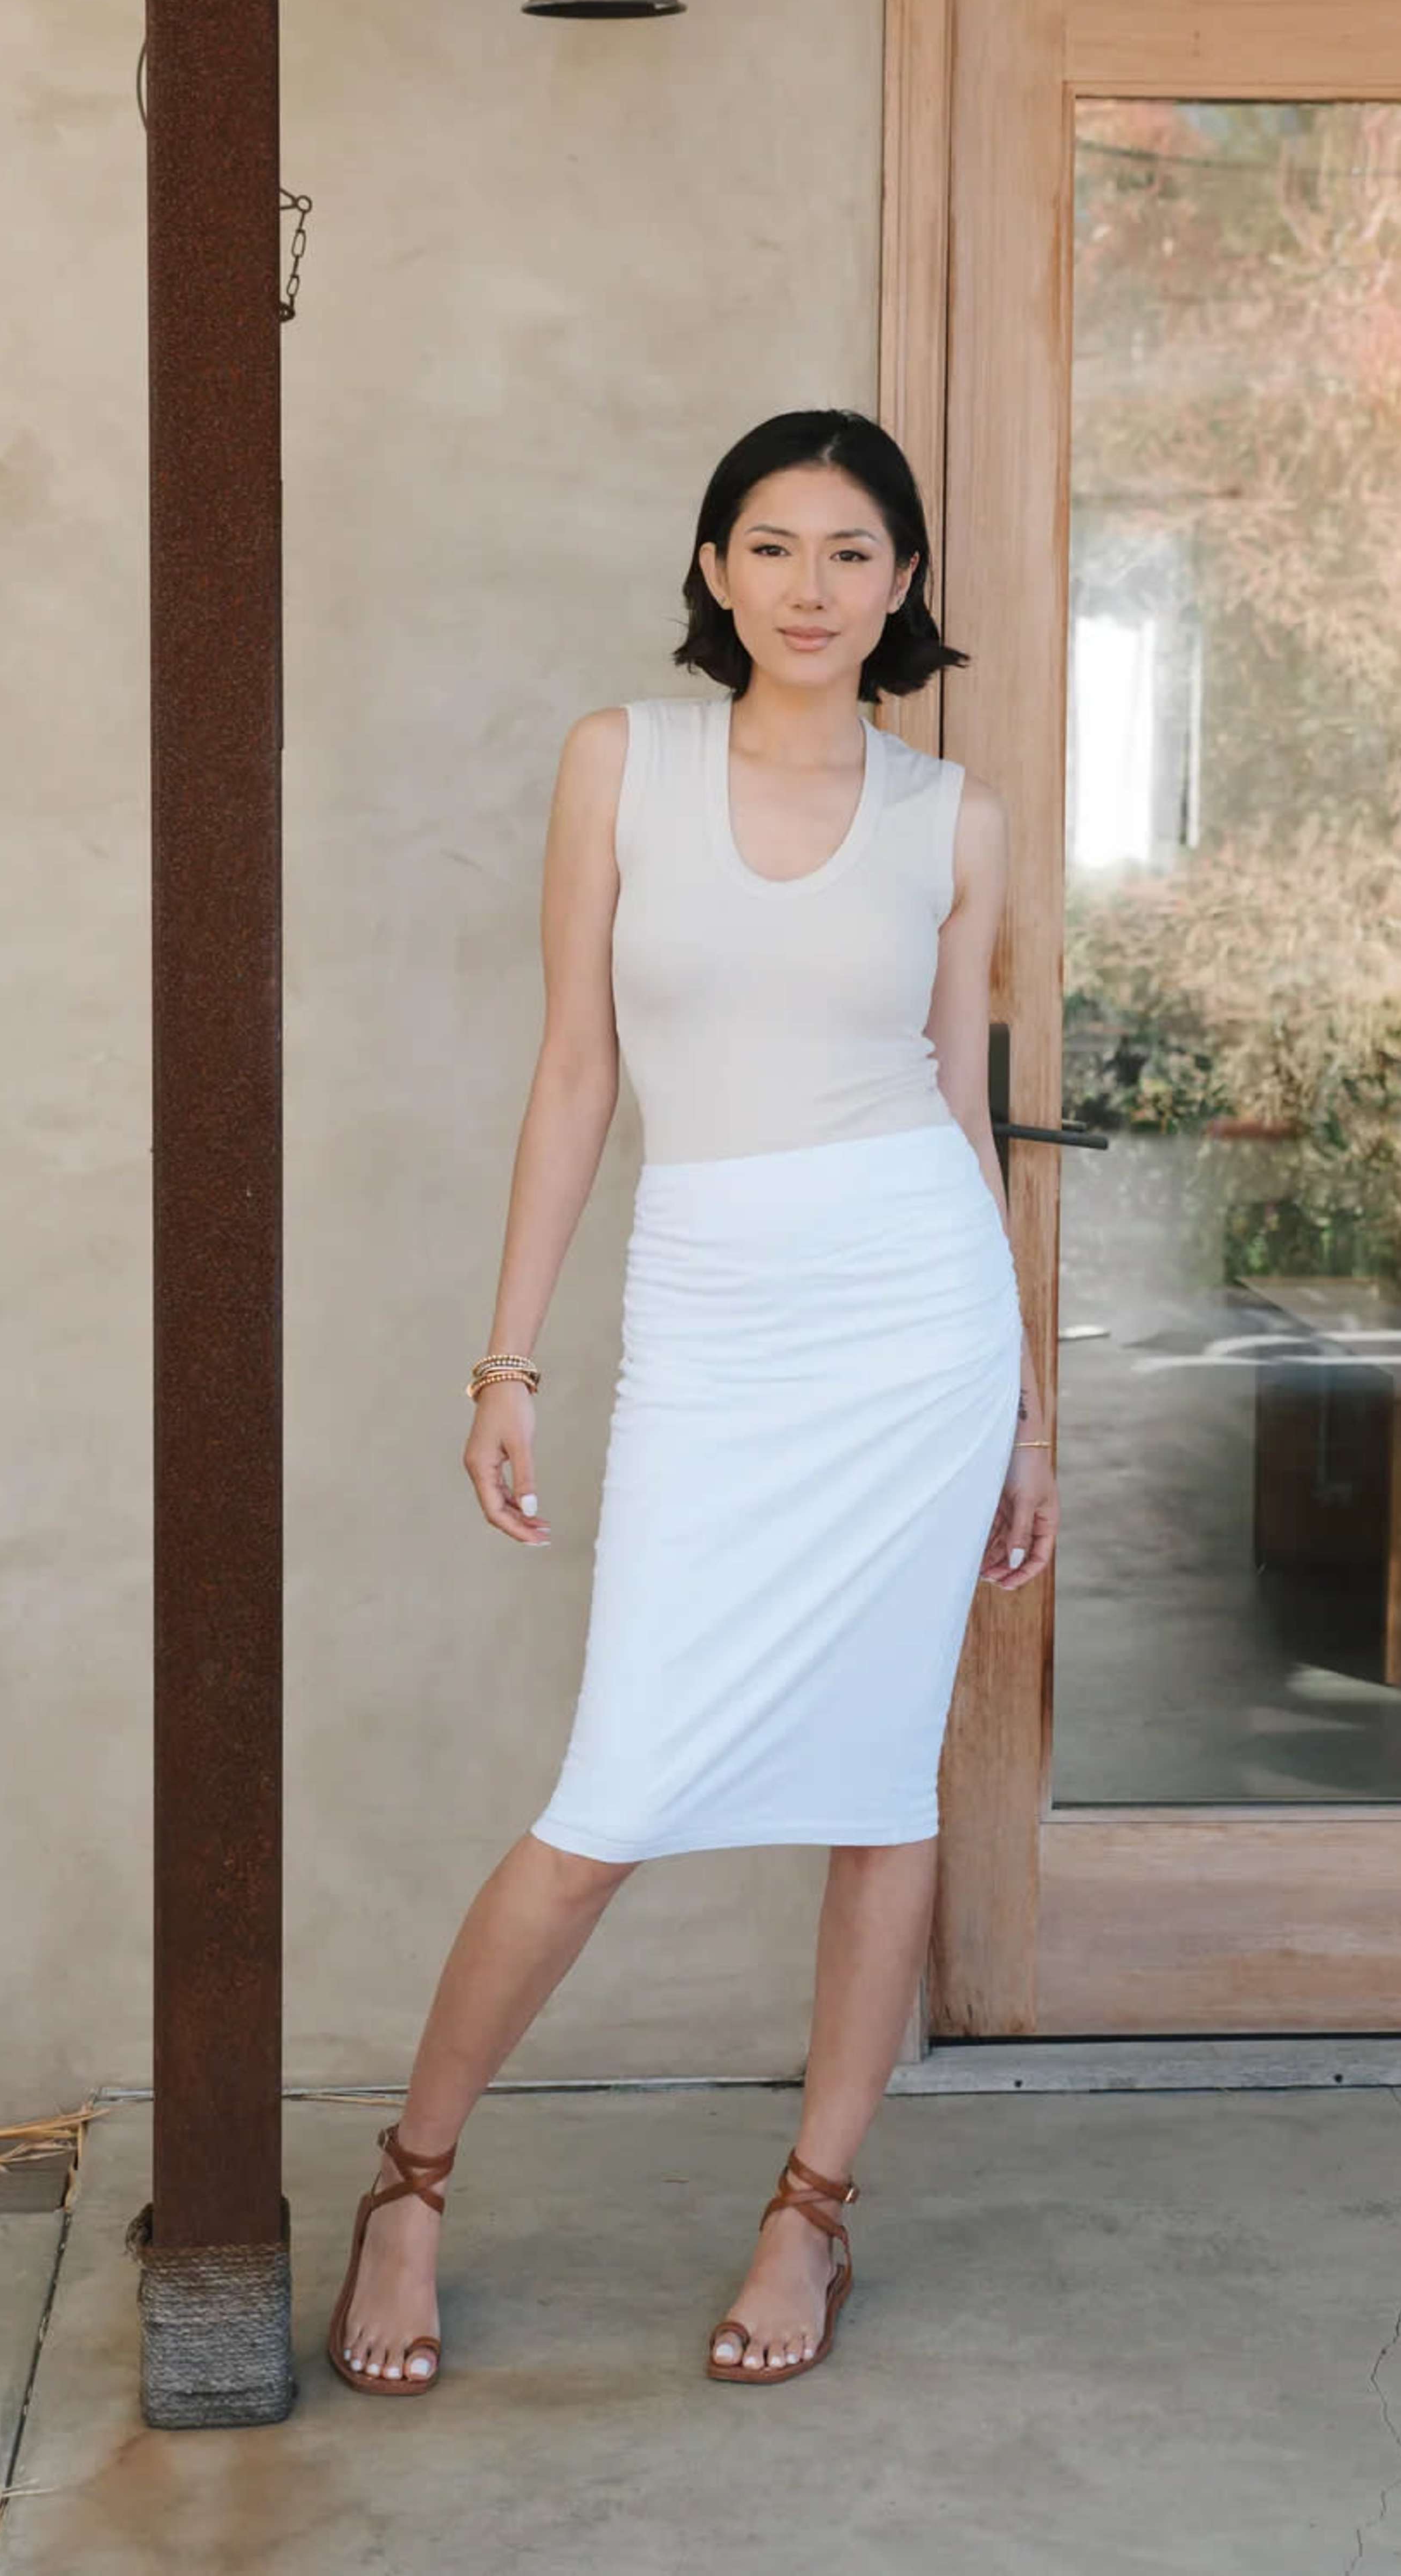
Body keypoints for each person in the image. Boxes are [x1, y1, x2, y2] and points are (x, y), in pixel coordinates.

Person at [326, 408, 1059, 2397]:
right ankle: (409, 2183)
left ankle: (810, 2209)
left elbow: (963, 1114)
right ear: (717, 570)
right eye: (774, 544)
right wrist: (508, 1355)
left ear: (902, 585)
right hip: (715, 1309)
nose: (812, 585)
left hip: (915, 1315)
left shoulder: (953, 817)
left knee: (881, 1780)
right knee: (610, 1791)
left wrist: (1025, 1413)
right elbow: (577, 1072)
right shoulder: (619, 764)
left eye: (852, 552)